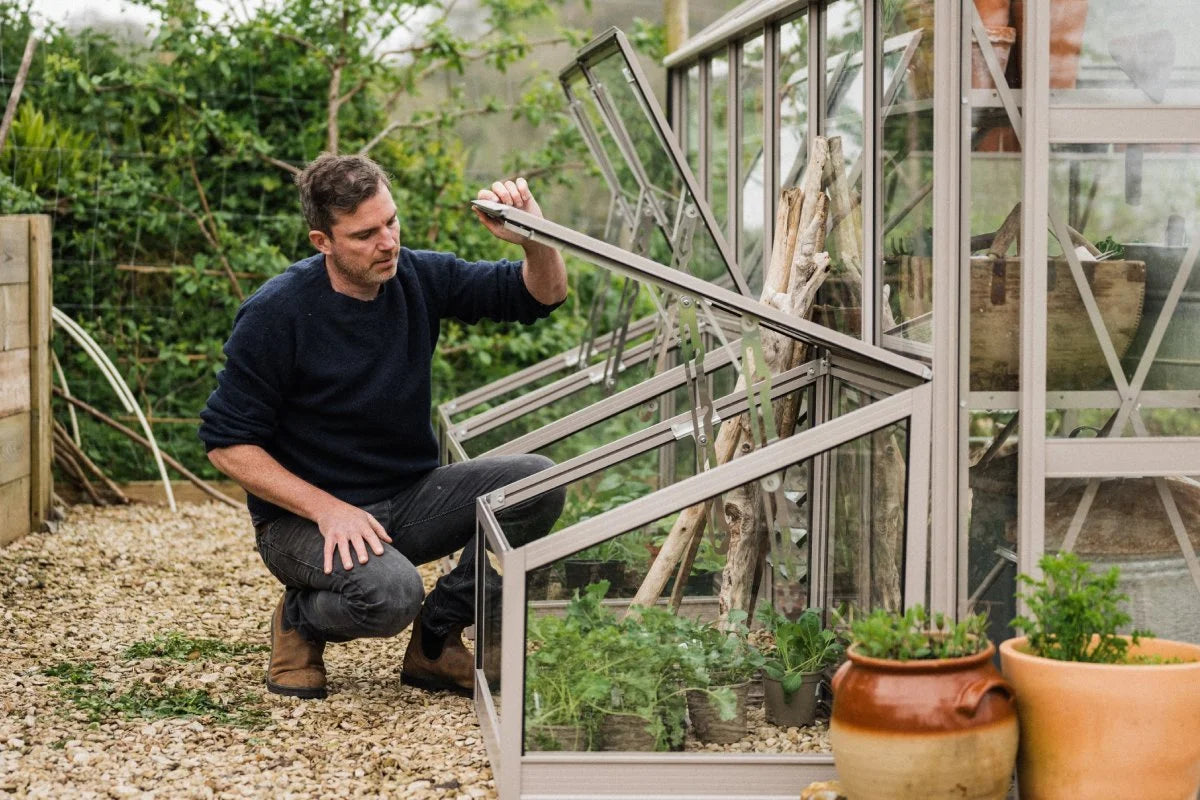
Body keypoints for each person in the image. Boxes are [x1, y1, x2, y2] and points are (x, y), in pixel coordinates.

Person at [198, 154, 567, 699]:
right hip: (301, 522)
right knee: (392, 596)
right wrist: (327, 509)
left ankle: (437, 638)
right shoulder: (276, 313)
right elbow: (226, 443)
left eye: (391, 222)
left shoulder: (418, 276)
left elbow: (541, 295)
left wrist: (534, 237)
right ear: (323, 242)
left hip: (408, 497)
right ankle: (300, 618)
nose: (388, 242)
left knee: (537, 483)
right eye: (365, 234)